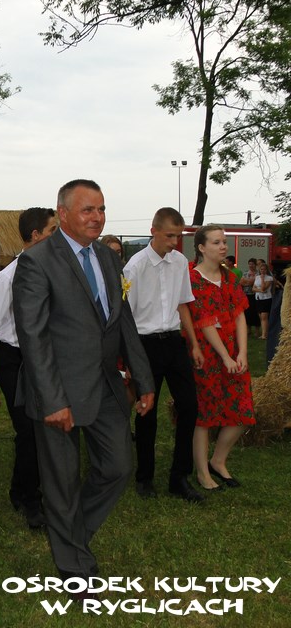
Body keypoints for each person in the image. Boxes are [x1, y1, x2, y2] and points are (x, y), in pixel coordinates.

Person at [12, 179, 154, 583]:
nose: (97, 217)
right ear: (63, 214)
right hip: (56, 390)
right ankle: (74, 568)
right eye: (88, 209)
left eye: (101, 209)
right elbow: (33, 337)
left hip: (105, 386)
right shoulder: (37, 261)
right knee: (61, 483)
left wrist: (143, 380)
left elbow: (123, 322)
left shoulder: (108, 259)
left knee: (118, 467)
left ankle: (71, 535)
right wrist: (53, 400)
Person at [0, 207, 57, 530]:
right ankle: (29, 499)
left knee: (42, 429)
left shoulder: (53, 271)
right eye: (52, 231)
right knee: (28, 429)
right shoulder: (8, 277)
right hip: (12, 358)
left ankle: (23, 490)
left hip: (41, 359)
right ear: (36, 236)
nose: (57, 236)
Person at [123, 208, 205, 502]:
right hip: (144, 346)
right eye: (169, 235)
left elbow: (183, 304)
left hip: (174, 342)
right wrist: (130, 359)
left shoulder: (180, 262)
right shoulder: (135, 266)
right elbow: (126, 317)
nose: (174, 242)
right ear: (153, 231)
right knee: (147, 411)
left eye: (178, 236)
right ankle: (144, 477)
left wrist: (193, 343)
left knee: (189, 406)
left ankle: (179, 477)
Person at [188, 225, 255, 490]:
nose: (223, 246)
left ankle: (218, 461)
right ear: (202, 247)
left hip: (232, 351)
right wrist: (225, 357)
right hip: (206, 353)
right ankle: (203, 472)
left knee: (243, 411)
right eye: (216, 242)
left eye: (224, 241)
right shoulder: (192, 278)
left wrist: (242, 352)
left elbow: (239, 315)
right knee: (206, 414)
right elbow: (204, 321)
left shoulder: (229, 278)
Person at [253, 262, 274, 340]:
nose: (263, 271)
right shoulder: (257, 277)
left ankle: (264, 335)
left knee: (264, 317)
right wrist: (259, 290)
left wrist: (262, 279)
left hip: (266, 299)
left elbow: (263, 288)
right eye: (261, 269)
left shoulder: (269, 278)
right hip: (258, 298)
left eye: (264, 269)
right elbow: (253, 288)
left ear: (267, 270)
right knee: (261, 317)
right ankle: (265, 333)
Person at [240, 258, 260, 337]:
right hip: (246, 294)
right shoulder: (245, 273)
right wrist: (249, 282)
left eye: (252, 264)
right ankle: (248, 330)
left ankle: (257, 330)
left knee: (255, 312)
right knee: (247, 312)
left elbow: (254, 282)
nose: (251, 265)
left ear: (255, 265)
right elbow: (241, 282)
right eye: (250, 264)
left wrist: (247, 281)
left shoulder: (258, 273)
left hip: (255, 295)